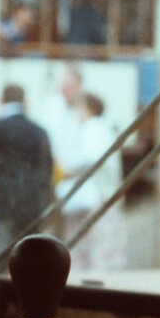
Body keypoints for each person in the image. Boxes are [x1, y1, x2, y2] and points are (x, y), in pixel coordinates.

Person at [0, 84, 54, 260]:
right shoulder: (40, 131)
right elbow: (46, 171)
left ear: (2, 100)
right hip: (31, 205)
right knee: (29, 258)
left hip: (1, 204)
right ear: (24, 101)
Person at [58, 92, 126, 271]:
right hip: (103, 198)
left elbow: (90, 156)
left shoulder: (93, 127)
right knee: (98, 250)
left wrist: (68, 169)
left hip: (97, 199)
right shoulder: (102, 128)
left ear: (88, 109)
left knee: (94, 251)